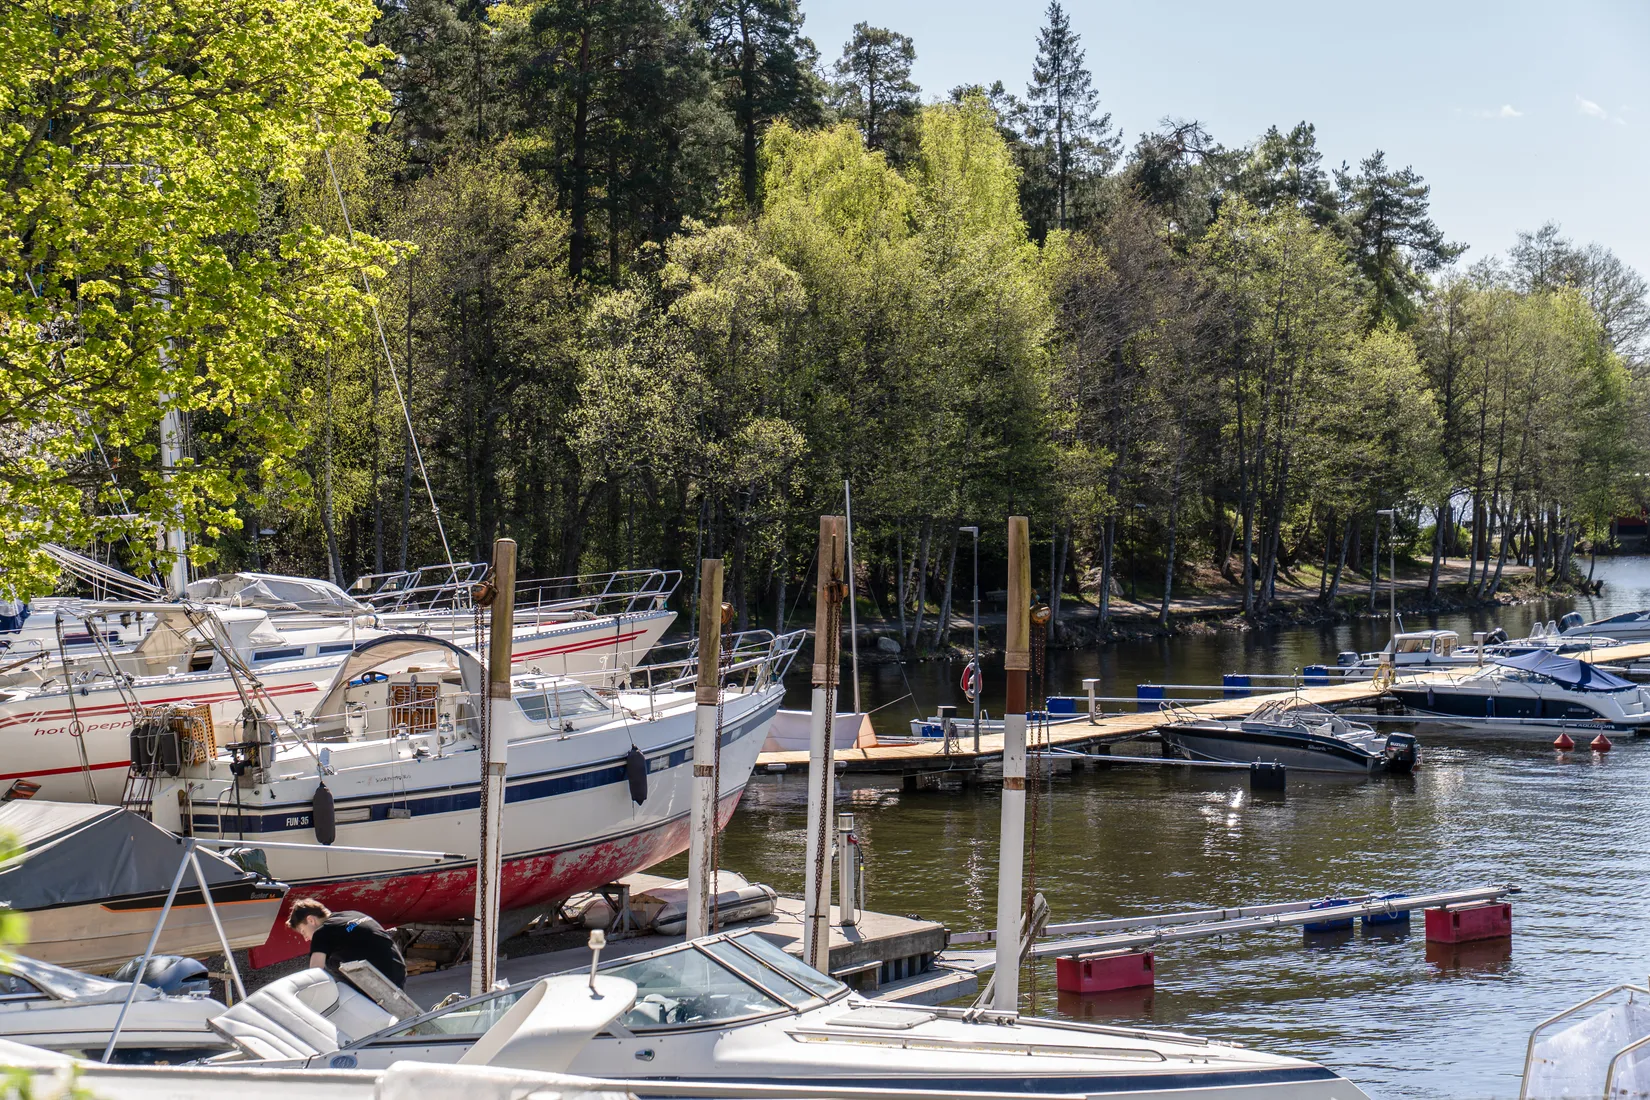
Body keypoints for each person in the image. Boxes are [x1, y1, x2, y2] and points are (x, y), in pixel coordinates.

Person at [287, 898, 407, 989]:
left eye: (303, 931)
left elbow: (315, 973)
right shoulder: (353, 914)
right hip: (398, 971)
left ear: (311, 920)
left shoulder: (322, 932)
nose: (306, 938)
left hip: (379, 981)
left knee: (330, 963)